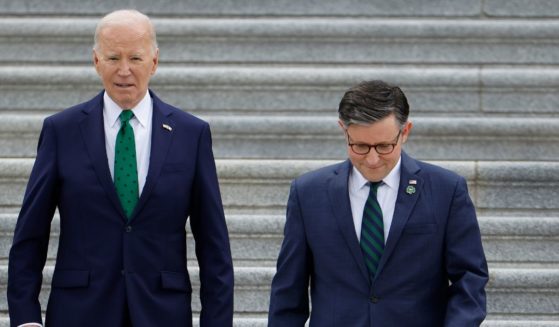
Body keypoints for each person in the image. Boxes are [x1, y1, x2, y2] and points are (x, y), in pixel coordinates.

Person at [7, 9, 233, 327]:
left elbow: (213, 244)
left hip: (161, 313)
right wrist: (26, 318)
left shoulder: (191, 133)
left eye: (135, 59)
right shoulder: (62, 130)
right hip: (79, 313)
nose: (124, 70)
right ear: (96, 61)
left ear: (154, 62)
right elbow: (30, 234)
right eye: (113, 58)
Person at [268, 80, 488, 326]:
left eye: (384, 146)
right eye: (360, 146)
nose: (372, 160)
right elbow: (288, 292)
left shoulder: (447, 190)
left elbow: (469, 279)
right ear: (344, 130)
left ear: (405, 132)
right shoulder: (308, 193)